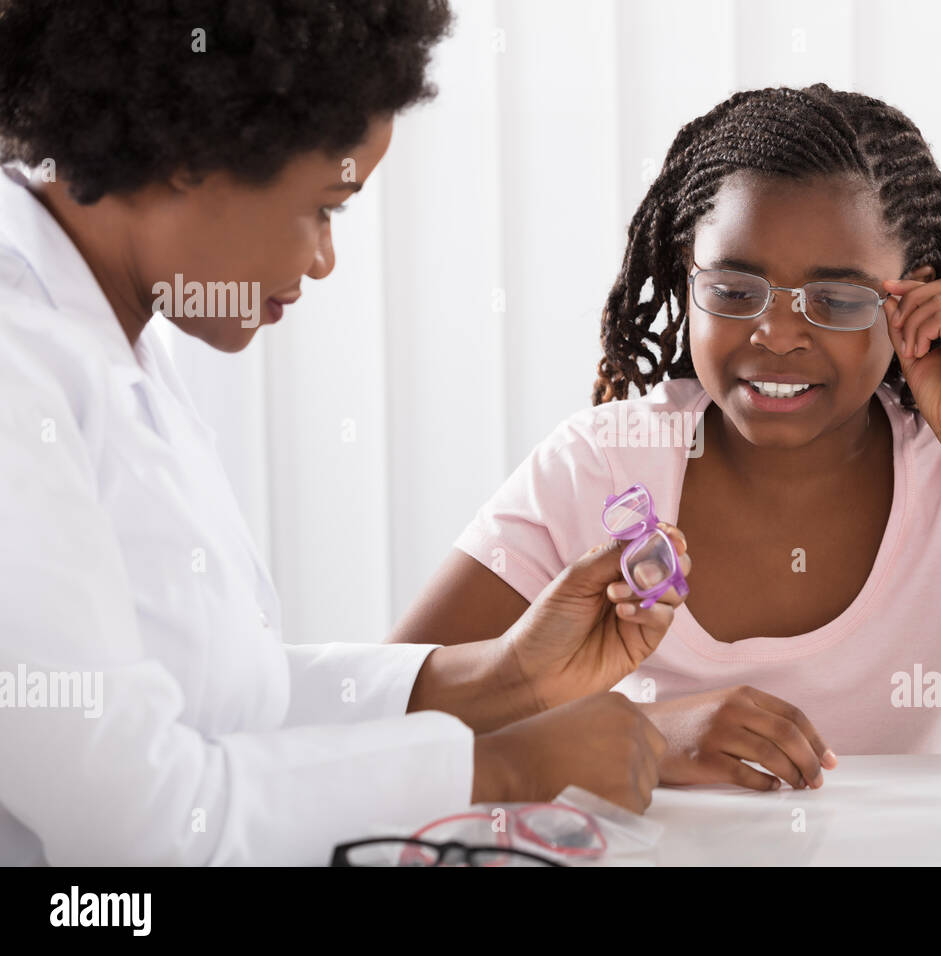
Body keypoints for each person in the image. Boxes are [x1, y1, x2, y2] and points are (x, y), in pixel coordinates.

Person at [0, 0, 688, 866]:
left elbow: (219, 699)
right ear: (190, 154)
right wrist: (495, 771)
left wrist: (509, 676)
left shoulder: (108, 331)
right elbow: (140, 819)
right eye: (327, 206)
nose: (324, 258)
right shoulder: (18, 368)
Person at [390, 85, 941, 789]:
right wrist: (649, 737)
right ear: (684, 277)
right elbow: (389, 713)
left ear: (912, 305)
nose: (775, 336)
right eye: (735, 290)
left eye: (838, 300)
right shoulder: (603, 462)